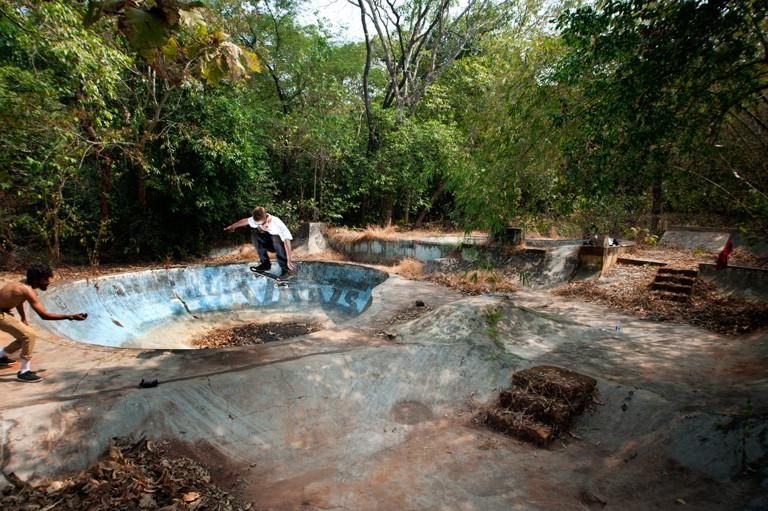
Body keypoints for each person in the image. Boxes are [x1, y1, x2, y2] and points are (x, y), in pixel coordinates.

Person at [0, 264, 87, 382]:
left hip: (4, 311)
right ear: (37, 279)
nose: (49, 282)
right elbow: (44, 315)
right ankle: (24, 372)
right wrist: (70, 316)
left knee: (24, 335)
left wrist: (23, 318)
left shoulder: (24, 284)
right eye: (46, 279)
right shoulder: (27, 290)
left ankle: (1, 355)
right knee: (29, 336)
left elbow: (19, 301)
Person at [224, 206, 296, 275]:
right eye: (259, 224)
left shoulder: (276, 222)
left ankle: (286, 269)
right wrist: (233, 226)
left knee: (276, 237)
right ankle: (265, 264)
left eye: (264, 223)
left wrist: (289, 260)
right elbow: (244, 221)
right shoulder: (256, 219)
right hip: (271, 245)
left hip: (283, 246)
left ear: (266, 217)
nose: (263, 225)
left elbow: (287, 241)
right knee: (255, 235)